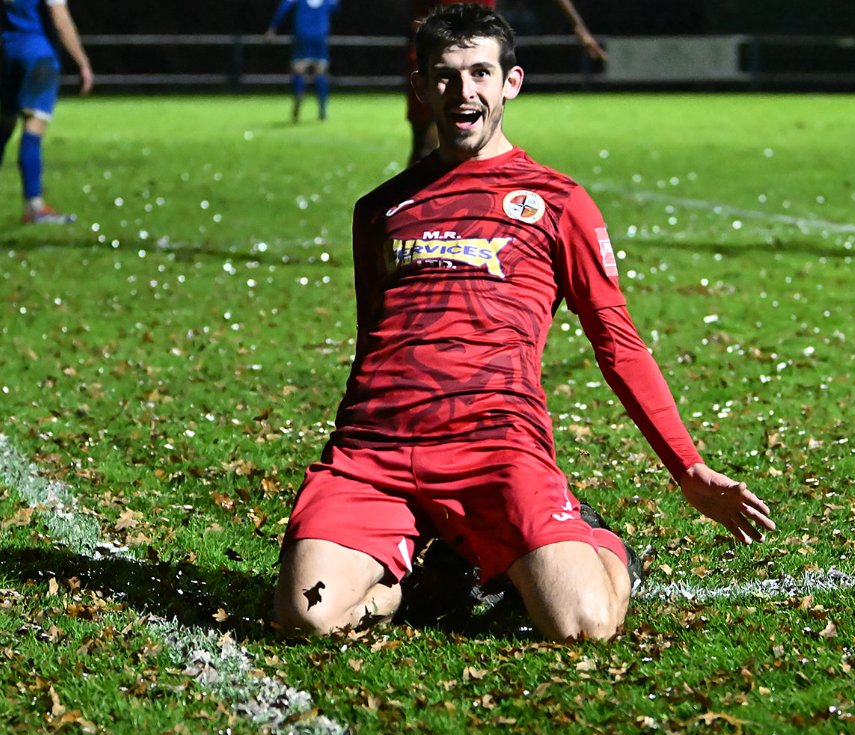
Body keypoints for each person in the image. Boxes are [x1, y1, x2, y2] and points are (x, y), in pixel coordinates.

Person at [273, 3, 775, 643]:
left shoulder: (558, 202)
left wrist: (688, 468)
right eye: (446, 75)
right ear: (420, 86)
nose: (464, 91)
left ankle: (602, 544)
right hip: (375, 452)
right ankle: (411, 580)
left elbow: (618, 344)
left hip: (497, 447)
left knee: (584, 626)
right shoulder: (380, 210)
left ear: (511, 82)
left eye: (480, 73)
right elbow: (375, 338)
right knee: (307, 615)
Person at [405, 0, 606, 165]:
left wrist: (578, 26)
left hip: (483, 42)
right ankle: (418, 200)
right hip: (436, 45)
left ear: (512, 81)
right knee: (426, 140)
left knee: (483, 138)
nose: (465, 91)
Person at [0, 0, 93, 225]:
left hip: (9, 51)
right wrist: (82, 62)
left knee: (3, 127)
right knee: (33, 128)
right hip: (38, 54)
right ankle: (34, 206)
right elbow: (60, 19)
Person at [265, 0, 339, 123]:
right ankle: (322, 109)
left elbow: (284, 7)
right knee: (321, 70)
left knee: (298, 68)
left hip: (302, 33)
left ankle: (299, 93)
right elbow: (335, 7)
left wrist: (273, 27)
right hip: (320, 33)